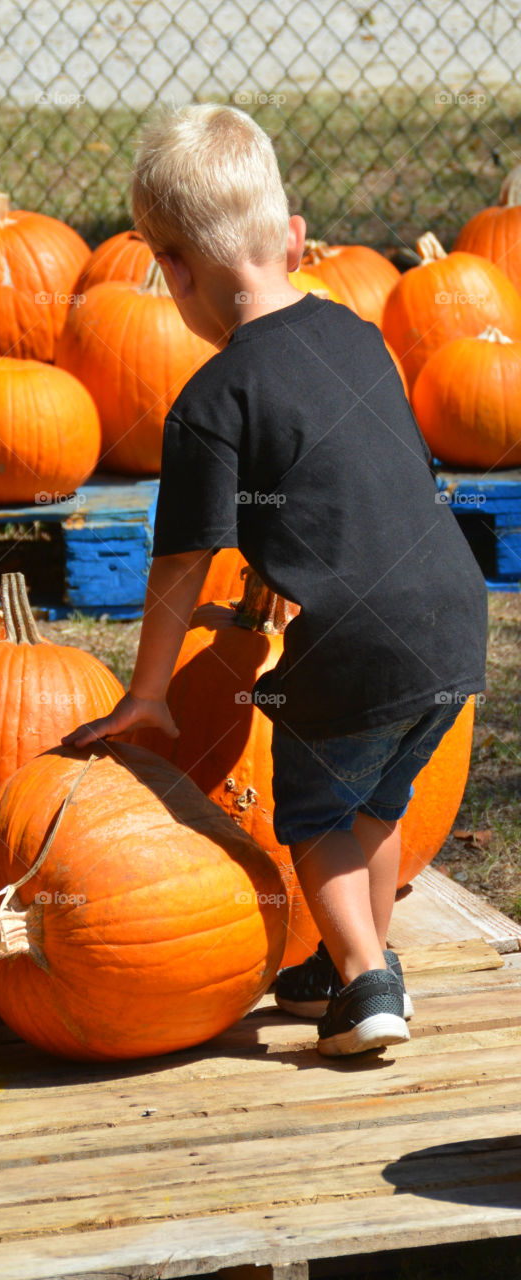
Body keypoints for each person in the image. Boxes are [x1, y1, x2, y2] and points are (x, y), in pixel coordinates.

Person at [62, 102, 488, 1057]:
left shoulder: (211, 401)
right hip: (455, 619)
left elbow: (180, 561)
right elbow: (357, 491)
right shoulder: (357, 333)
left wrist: (149, 693)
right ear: (294, 240)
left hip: (353, 642)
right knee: (374, 806)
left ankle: (372, 984)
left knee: (313, 819)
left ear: (168, 267)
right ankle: (347, 964)